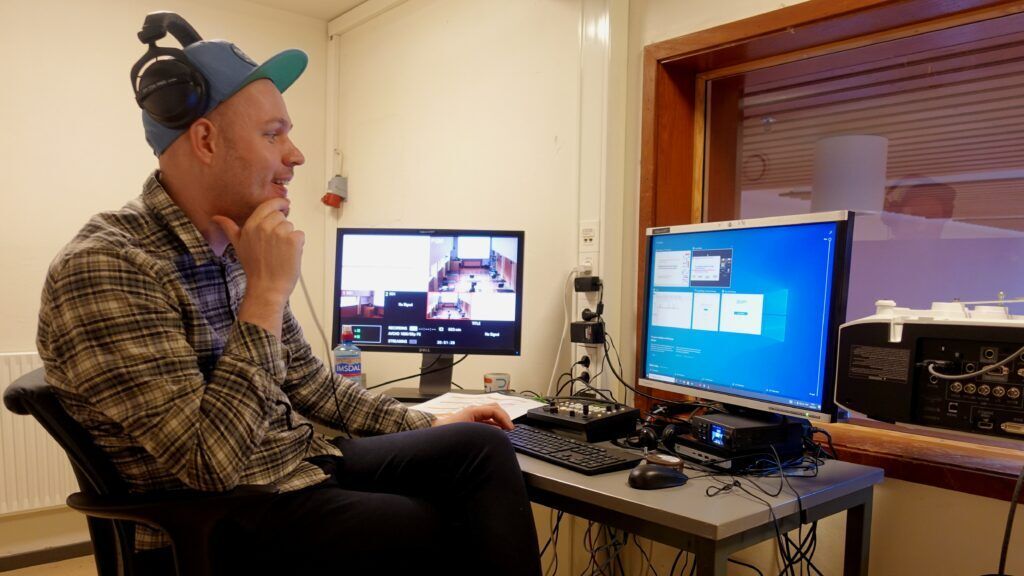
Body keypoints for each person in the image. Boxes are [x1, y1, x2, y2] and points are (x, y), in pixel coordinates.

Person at [36, 13, 541, 576]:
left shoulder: (233, 244)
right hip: (220, 515)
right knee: (421, 523)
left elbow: (305, 380)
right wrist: (267, 293)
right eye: (273, 134)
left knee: (478, 450)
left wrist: (430, 425)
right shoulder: (108, 266)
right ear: (204, 139)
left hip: (292, 465)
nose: (296, 155)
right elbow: (209, 463)